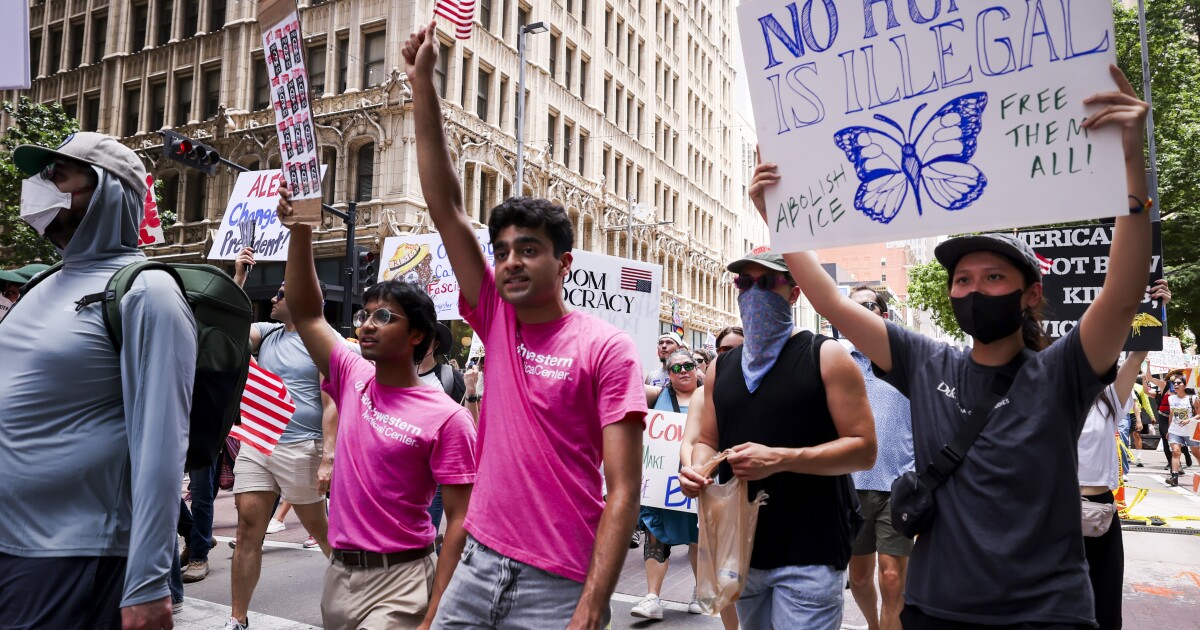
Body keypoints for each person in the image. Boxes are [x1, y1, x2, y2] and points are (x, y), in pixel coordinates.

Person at [746, 65, 1153, 627]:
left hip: (1045, 614)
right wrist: (781, 218)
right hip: (937, 610)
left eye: (993, 278)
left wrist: (1133, 164)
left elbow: (1122, 295)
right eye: (963, 279)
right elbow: (833, 305)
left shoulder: (1063, 371)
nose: (975, 289)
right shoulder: (924, 361)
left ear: (1030, 294)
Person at [405, 22, 647, 629]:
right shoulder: (494, 315)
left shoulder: (606, 348)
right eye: (503, 248)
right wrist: (423, 86)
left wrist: (594, 602)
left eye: (529, 249)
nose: (511, 260)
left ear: (563, 262)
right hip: (479, 563)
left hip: (560, 581)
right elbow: (446, 207)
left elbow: (623, 490)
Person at [0, 132, 197, 629]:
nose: (43, 186)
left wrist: (149, 581)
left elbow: (161, 444)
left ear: (108, 190)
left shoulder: (147, 292)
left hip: (72, 557)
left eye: (59, 174)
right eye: (43, 175)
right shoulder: (44, 283)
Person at [273, 191, 480, 627]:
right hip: (339, 577)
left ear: (417, 336)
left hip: (402, 582)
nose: (367, 325)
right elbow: (309, 314)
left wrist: (435, 609)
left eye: (384, 317)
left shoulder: (448, 417)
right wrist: (302, 229)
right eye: (365, 316)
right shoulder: (352, 373)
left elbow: (460, 520)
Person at [679, 247, 877, 629]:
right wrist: (697, 468)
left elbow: (864, 450)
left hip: (810, 550)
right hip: (743, 548)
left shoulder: (827, 356)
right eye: (745, 282)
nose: (754, 292)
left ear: (794, 293)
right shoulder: (722, 367)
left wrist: (781, 458)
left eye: (768, 282)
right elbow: (706, 439)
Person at [224, 249, 346, 630]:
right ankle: (237, 619)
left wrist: (327, 456)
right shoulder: (268, 333)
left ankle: (359, 602)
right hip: (257, 443)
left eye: (280, 294)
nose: (273, 300)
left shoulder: (325, 341)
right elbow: (229, 327)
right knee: (247, 529)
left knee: (323, 534)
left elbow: (332, 404)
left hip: (301, 447)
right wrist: (239, 279)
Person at [843, 285, 914, 630]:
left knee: (891, 578)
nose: (859, 312)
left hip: (897, 485)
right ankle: (873, 624)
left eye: (868, 306)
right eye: (852, 307)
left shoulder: (906, 361)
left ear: (883, 315)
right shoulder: (837, 361)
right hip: (852, 487)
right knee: (858, 578)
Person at [1079, 347, 1151, 630]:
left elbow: (1136, 355)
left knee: (1104, 602)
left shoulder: (1107, 399)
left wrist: (1153, 309)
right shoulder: (1045, 397)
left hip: (1101, 514)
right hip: (1056, 512)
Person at [632, 349, 705, 621]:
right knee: (654, 534)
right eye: (675, 368)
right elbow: (626, 389)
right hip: (661, 486)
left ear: (697, 368)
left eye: (689, 365)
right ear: (667, 373)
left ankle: (700, 591)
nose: (683, 371)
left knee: (698, 539)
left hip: (698, 481)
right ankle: (652, 596)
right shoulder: (655, 395)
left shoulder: (712, 396)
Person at [678, 332, 744, 630]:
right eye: (721, 349)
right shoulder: (704, 395)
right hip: (718, 494)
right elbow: (692, 441)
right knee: (726, 574)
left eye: (733, 349)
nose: (725, 354)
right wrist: (696, 470)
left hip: (757, 495)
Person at [1164, 375, 1200, 487]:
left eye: (1178, 383)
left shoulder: (1192, 398)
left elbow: (1199, 413)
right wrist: (1169, 429)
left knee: (1196, 452)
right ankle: (1174, 476)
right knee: (1175, 452)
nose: (1175, 385)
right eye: (1174, 383)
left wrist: (1189, 420)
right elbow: (1171, 414)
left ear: (1185, 385)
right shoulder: (1171, 398)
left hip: (1190, 430)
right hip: (1175, 430)